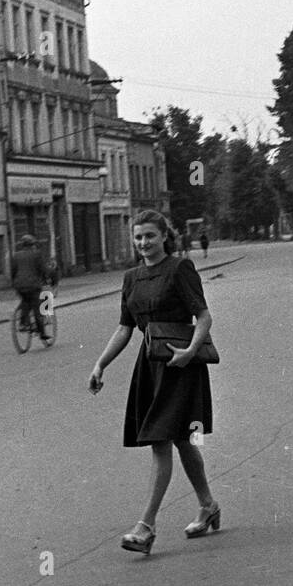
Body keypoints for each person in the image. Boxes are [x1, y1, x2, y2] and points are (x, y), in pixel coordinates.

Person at [88, 209, 219, 555]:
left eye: (149, 235)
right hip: (150, 367)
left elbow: (203, 315)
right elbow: (125, 327)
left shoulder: (180, 269)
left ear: (164, 236)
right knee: (179, 441)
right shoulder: (131, 277)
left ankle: (145, 527)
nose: (143, 243)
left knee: (163, 441)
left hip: (180, 365)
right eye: (138, 237)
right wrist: (101, 363)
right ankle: (208, 505)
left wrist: (190, 351)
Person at [11, 234, 51, 341]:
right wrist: (48, 277)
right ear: (32, 245)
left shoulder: (16, 255)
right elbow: (42, 269)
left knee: (25, 300)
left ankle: (23, 323)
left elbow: (13, 271)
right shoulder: (36, 254)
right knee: (37, 307)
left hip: (19, 285)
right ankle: (42, 333)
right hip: (33, 285)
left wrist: (14, 283)